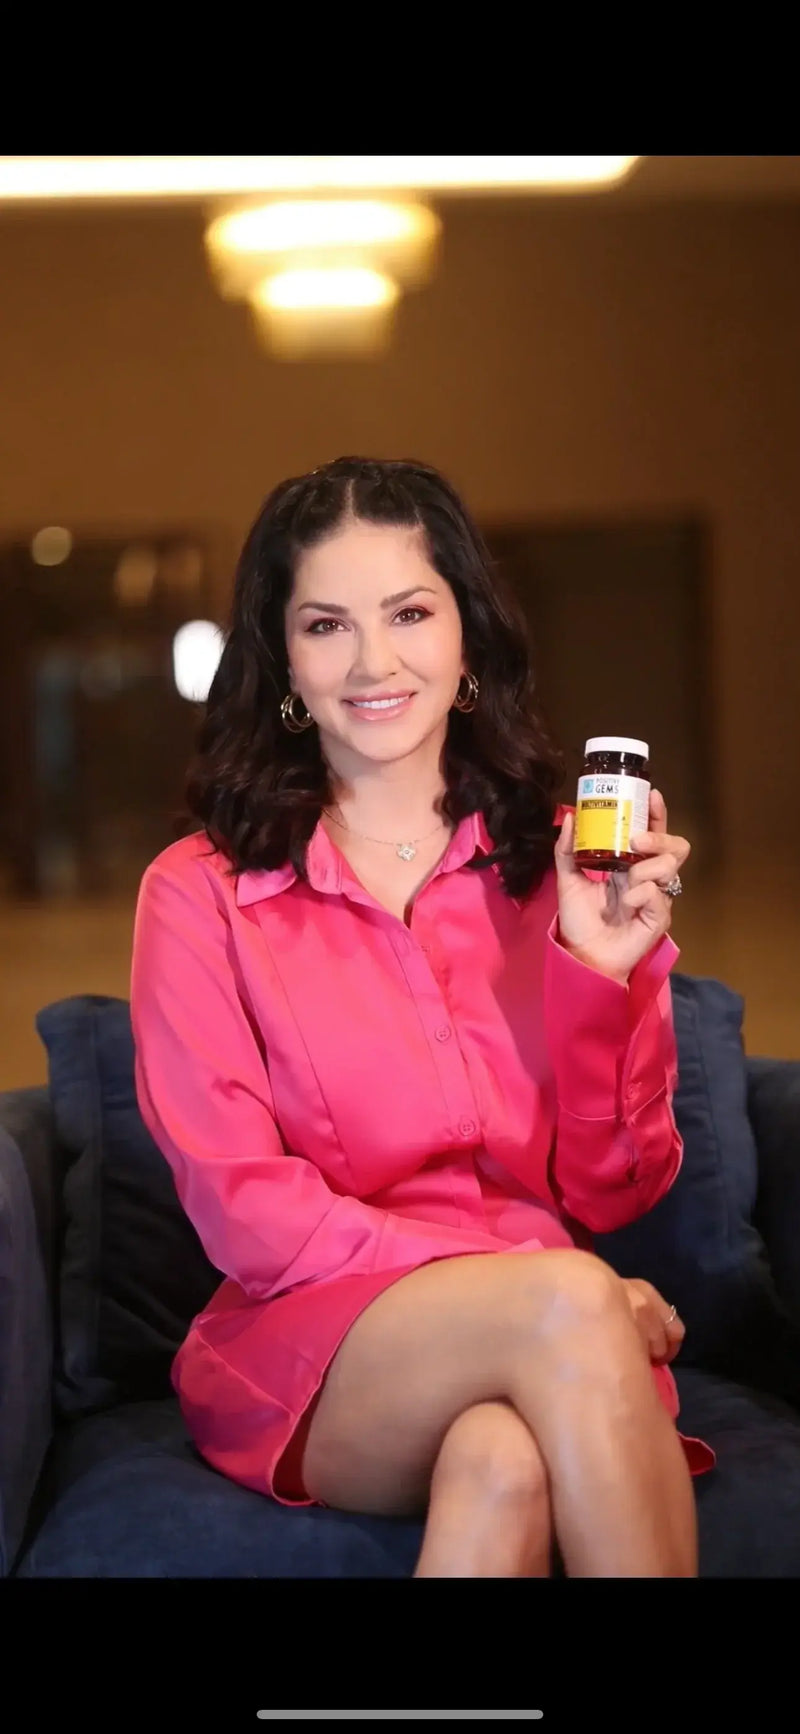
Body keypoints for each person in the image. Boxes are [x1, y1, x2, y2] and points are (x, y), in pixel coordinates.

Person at [131, 455, 714, 1579]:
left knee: (501, 1461)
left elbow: (615, 1191)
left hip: (559, 1335)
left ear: (467, 636)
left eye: (408, 613)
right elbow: (249, 1218)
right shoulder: (197, 895)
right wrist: (539, 1285)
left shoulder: (565, 865)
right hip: (320, 1343)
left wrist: (606, 977)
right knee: (563, 1300)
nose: (373, 662)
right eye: (326, 625)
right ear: (282, 659)